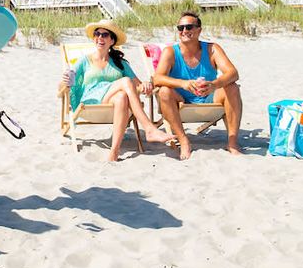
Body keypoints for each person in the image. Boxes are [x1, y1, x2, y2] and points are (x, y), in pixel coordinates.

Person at [58, 20, 175, 161]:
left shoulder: (120, 63)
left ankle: (114, 151)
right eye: (97, 34)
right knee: (125, 81)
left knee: (121, 97)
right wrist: (63, 82)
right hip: (91, 103)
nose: (100, 37)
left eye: (104, 34)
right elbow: (65, 85)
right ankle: (149, 128)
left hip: (113, 103)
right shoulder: (84, 60)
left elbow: (137, 86)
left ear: (112, 40)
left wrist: (145, 85)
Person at [153, 11, 242, 159]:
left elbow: (233, 73)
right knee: (163, 92)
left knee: (232, 87)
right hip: (181, 99)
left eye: (189, 27)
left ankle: (232, 143)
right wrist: (183, 83)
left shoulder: (212, 49)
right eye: (180, 28)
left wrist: (214, 84)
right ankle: (184, 140)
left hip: (209, 97)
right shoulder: (170, 52)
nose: (184, 31)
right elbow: (157, 78)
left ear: (199, 30)